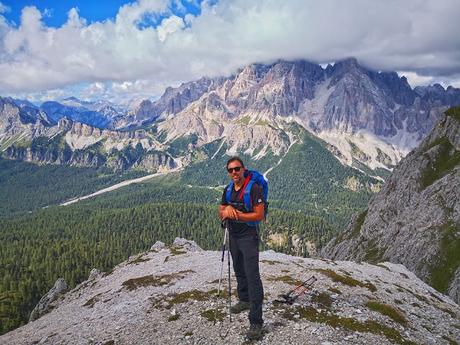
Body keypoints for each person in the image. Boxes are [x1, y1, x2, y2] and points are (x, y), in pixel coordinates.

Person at [218, 156, 265, 341]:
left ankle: (256, 322)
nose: (234, 173)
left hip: (248, 237)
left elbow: (259, 215)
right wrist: (225, 212)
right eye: (230, 170)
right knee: (238, 269)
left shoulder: (254, 188)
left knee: (252, 275)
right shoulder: (228, 190)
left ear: (243, 169)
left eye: (237, 169)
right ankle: (244, 300)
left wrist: (236, 215)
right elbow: (220, 210)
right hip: (234, 236)